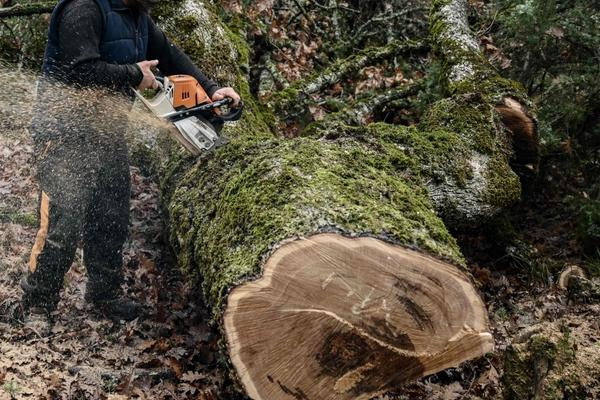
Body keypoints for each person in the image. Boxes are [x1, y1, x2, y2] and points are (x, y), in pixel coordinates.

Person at [20, 0, 240, 334]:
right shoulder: (85, 8)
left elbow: (170, 57)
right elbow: (80, 69)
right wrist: (134, 74)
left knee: (111, 219)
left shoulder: (138, 17)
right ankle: (38, 303)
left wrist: (211, 90)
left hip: (108, 133)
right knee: (61, 229)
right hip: (65, 134)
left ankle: (104, 295)